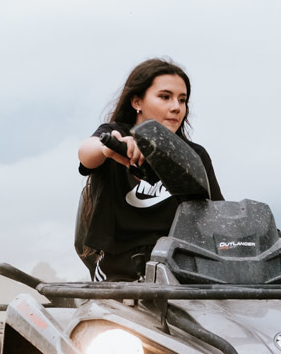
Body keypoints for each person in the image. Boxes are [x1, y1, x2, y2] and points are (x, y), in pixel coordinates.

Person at [76, 58, 224, 281]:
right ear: (137, 102)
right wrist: (108, 148)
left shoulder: (195, 156)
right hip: (119, 273)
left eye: (182, 100)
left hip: (182, 274)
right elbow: (86, 153)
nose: (176, 107)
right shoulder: (114, 135)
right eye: (165, 97)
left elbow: (218, 217)